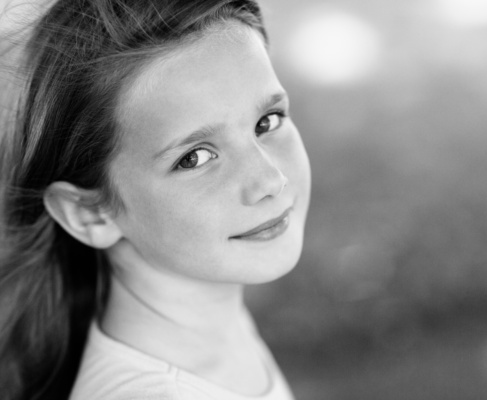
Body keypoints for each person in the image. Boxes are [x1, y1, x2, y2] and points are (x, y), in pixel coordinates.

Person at [0, 0, 311, 399]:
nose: (270, 180)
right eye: (194, 157)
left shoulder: (214, 326)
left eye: (266, 122)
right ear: (88, 214)